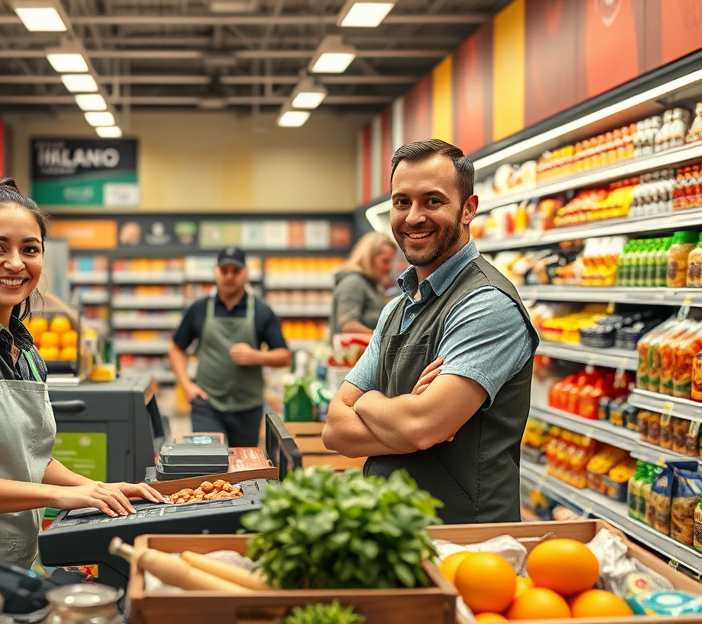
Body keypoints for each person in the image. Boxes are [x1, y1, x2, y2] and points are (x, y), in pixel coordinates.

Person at [0, 168, 162, 568]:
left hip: (5, 562)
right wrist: (58, 496)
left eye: (30, 250)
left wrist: (98, 488)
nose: (15, 263)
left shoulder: (26, 351)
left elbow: (28, 458)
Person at [322, 140, 537, 524]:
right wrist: (404, 419)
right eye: (402, 202)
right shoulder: (395, 309)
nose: (413, 217)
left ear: (468, 208)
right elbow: (335, 431)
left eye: (432, 201)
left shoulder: (487, 303)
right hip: (391, 526)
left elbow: (421, 427)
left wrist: (367, 403)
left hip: (463, 537)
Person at [169, 247, 292, 447]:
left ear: (246, 273)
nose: (229, 276)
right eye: (224, 270)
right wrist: (186, 385)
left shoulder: (261, 311)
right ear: (216, 271)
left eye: (235, 271)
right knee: (209, 459)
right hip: (206, 404)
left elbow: (284, 356)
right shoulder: (199, 309)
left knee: (241, 464)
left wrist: (255, 356)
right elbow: (176, 348)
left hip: (247, 408)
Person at [329, 231, 397, 336]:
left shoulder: (374, 284)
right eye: (385, 261)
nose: (389, 268)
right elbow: (347, 325)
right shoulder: (353, 283)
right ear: (369, 258)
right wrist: (379, 338)